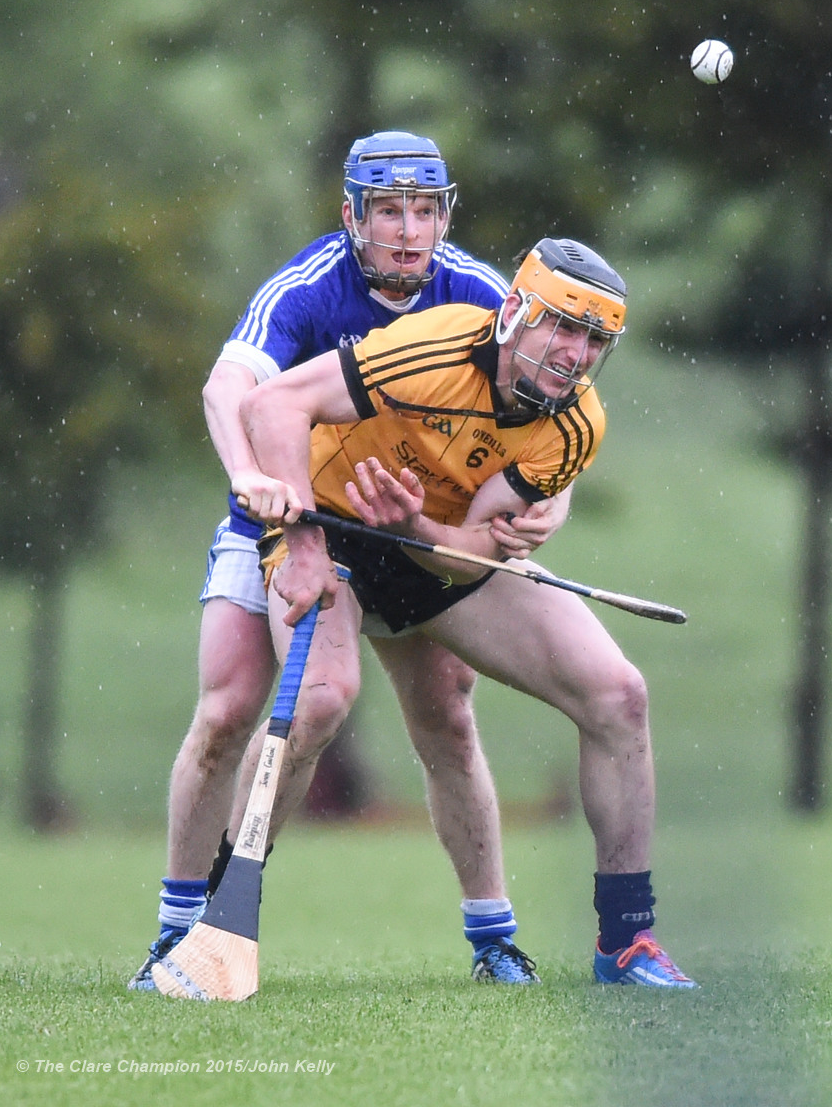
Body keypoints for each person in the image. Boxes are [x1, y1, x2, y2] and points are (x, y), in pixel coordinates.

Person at [128, 132, 566, 991]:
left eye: (426, 210)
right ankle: (184, 933)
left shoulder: (484, 295)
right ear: (351, 217)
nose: (409, 230)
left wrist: (543, 508)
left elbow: (554, 414)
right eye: (389, 211)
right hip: (289, 520)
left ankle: (494, 940)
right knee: (229, 710)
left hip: (408, 531)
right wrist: (252, 478)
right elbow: (229, 387)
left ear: (447, 214)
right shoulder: (306, 286)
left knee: (447, 716)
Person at [232, 236, 697, 988]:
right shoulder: (430, 348)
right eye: (563, 327)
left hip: (429, 543)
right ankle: (221, 921)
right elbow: (273, 404)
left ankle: (626, 943)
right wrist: (303, 535)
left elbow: (467, 552)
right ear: (514, 312)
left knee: (618, 695)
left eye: (592, 340)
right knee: (320, 701)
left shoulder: (576, 425)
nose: (575, 354)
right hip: (331, 527)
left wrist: (416, 527)